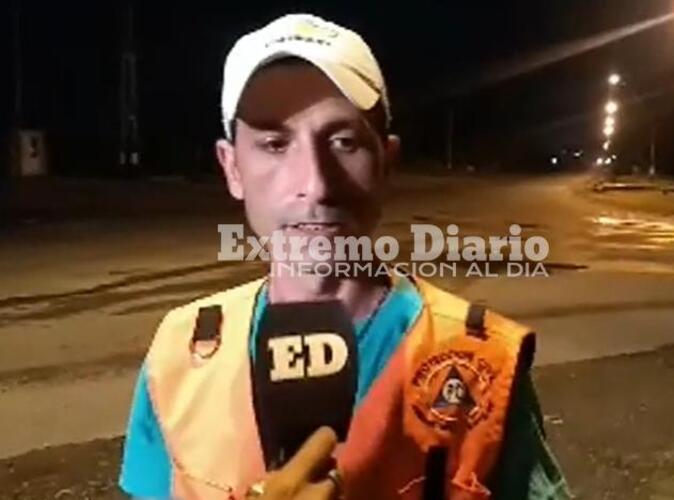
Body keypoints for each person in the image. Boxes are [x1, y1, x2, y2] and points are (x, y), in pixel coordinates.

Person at [119, 13, 570, 500]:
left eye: (344, 142)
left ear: (386, 163)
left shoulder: (481, 362)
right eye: (274, 144)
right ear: (232, 168)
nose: (315, 184)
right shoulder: (179, 357)